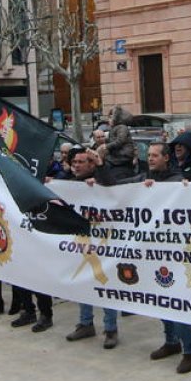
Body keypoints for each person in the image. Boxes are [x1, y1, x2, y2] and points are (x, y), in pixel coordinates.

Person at [137, 143, 191, 374]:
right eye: (149, 156)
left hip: (177, 252)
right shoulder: (146, 177)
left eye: (155, 156)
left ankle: (190, 351)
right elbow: (117, 185)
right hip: (156, 250)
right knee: (161, 299)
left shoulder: (176, 180)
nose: (150, 159)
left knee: (178, 301)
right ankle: (171, 342)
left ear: (166, 158)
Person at [65, 148, 121, 349]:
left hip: (103, 244)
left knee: (104, 285)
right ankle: (86, 323)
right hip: (80, 243)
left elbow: (113, 188)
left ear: (91, 164)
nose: (77, 165)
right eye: (74, 162)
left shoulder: (101, 181)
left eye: (82, 162)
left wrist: (98, 179)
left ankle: (110, 329)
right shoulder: (70, 184)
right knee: (82, 283)